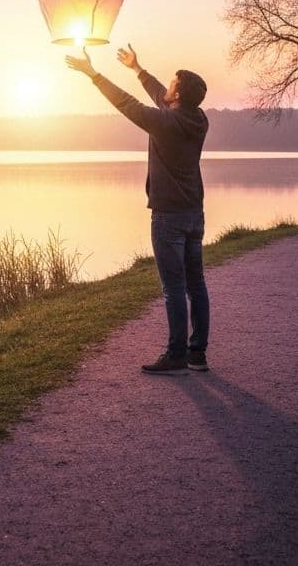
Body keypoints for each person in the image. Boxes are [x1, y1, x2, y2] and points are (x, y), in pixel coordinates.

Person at [65, 44, 210, 375]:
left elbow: (126, 104)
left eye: (172, 84)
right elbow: (161, 96)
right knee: (196, 284)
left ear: (177, 95)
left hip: (168, 217)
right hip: (194, 213)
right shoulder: (198, 119)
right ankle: (197, 354)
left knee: (174, 288)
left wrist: (93, 74)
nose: (167, 87)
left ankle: (176, 356)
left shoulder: (165, 123)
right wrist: (137, 69)